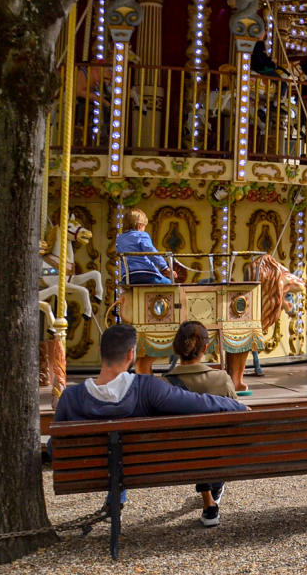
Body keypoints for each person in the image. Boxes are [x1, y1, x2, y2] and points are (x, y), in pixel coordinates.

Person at [53, 325, 245, 516]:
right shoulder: (148, 389)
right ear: (131, 354)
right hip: (138, 469)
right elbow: (197, 403)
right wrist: (238, 406)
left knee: (116, 456)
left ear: (100, 351)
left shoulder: (70, 397)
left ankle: (115, 500)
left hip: (88, 472)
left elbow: (55, 447)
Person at [167, 322, 241, 527]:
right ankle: (214, 488)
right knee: (212, 440)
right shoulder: (222, 378)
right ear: (206, 349)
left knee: (195, 443)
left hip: (181, 455)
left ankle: (209, 500)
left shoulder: (164, 385)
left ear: (175, 349)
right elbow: (237, 416)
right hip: (220, 450)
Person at [116, 208, 175, 285]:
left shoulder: (120, 238)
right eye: (144, 226)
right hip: (145, 274)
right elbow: (151, 252)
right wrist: (165, 268)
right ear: (140, 225)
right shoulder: (142, 235)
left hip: (128, 276)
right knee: (171, 284)